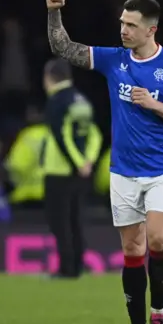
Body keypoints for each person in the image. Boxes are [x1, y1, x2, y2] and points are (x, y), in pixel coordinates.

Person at [46, 0, 163, 324]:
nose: (124, 30)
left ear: (151, 30)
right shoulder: (115, 60)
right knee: (132, 250)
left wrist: (154, 103)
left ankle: (157, 315)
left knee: (158, 239)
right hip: (123, 171)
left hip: (162, 168)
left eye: (131, 25)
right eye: (122, 23)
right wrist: (54, 13)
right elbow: (63, 48)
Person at [41, 58, 103, 280]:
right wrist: (88, 161)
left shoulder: (57, 101)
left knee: (60, 221)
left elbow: (61, 135)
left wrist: (76, 163)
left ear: (49, 77)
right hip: (80, 171)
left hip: (60, 170)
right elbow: (95, 134)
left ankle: (66, 269)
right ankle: (77, 265)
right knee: (75, 219)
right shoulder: (82, 100)